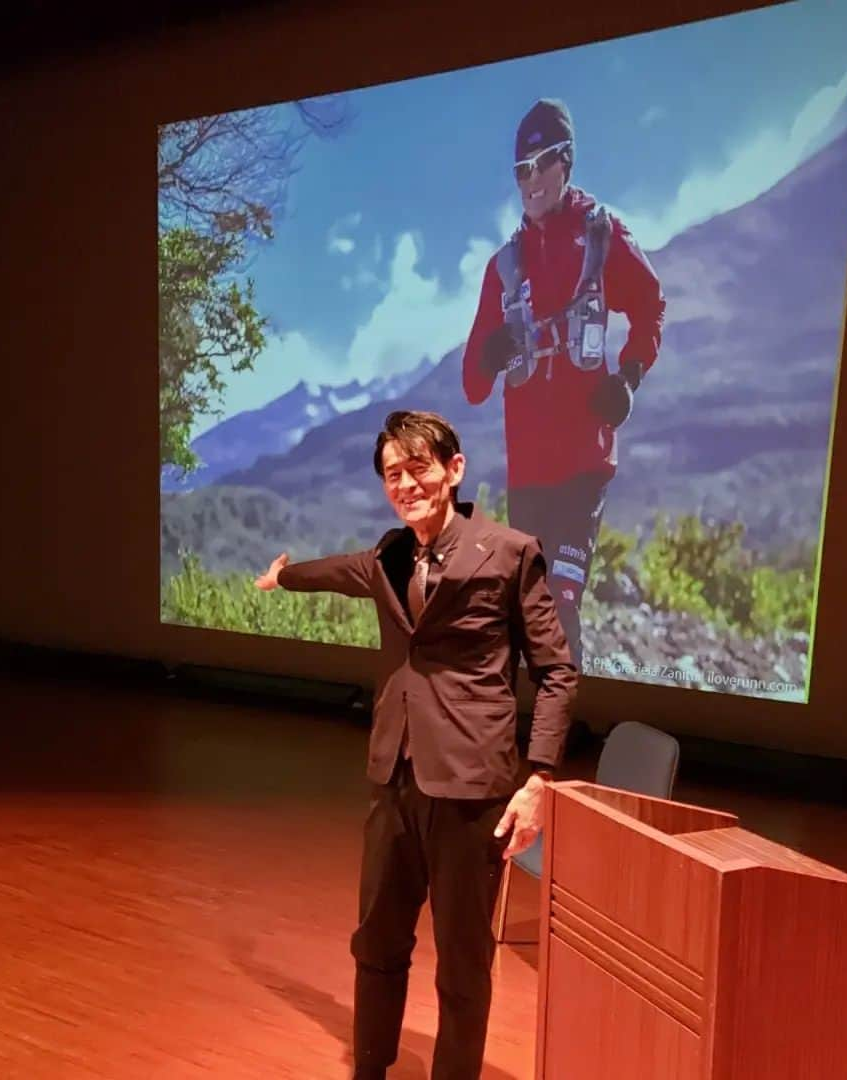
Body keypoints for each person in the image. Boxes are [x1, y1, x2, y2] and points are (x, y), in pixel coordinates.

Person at [255, 410, 577, 1080]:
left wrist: (540, 777)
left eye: (418, 468)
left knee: (463, 966)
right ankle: (369, 1069)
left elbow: (556, 671)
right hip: (394, 782)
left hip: (470, 793)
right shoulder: (389, 555)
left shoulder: (511, 552)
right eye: (393, 475)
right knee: (376, 943)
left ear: (454, 470)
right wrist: (282, 577)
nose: (406, 484)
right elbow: (338, 571)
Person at [463, 97, 666, 672]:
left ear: (566, 161)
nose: (529, 180)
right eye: (519, 170)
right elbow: (473, 385)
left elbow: (651, 307)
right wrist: (492, 353)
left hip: (584, 463)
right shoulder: (503, 267)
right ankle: (529, 745)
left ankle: (556, 755)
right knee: (529, 618)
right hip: (529, 473)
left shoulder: (601, 236)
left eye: (539, 164)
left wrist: (628, 378)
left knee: (559, 604)